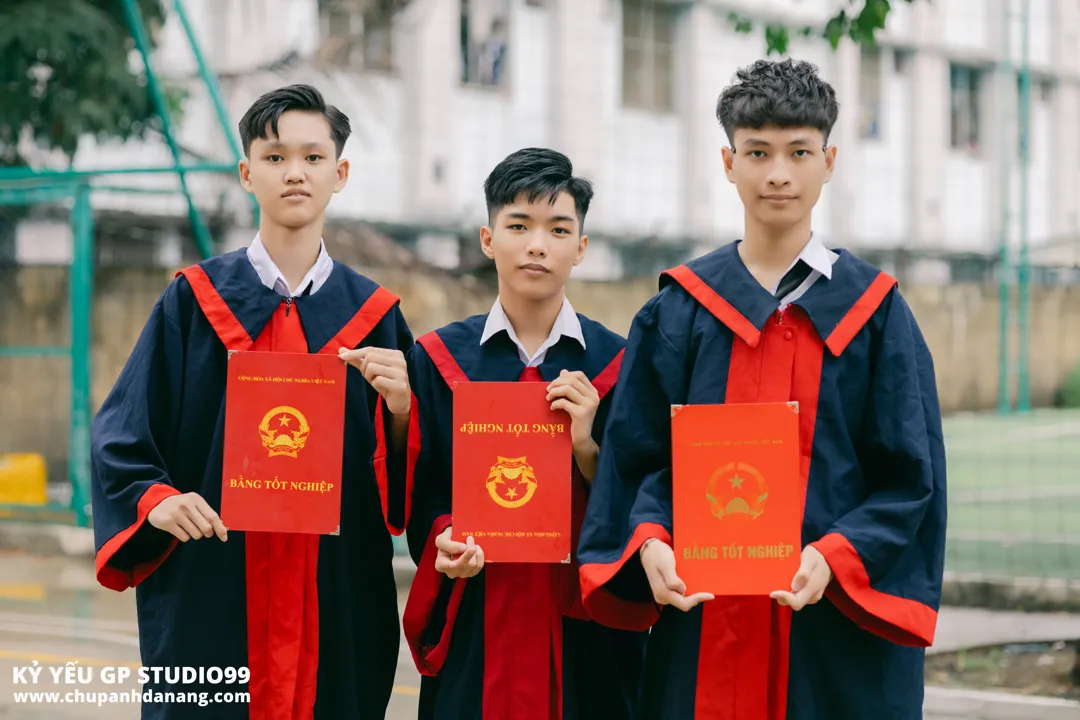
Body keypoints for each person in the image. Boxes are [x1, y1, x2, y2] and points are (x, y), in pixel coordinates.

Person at [576, 58, 947, 720]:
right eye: (758, 152)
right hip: (704, 624)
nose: (778, 173)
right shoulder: (679, 311)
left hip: (832, 637)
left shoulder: (875, 314)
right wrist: (650, 539)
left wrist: (836, 555)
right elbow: (638, 458)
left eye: (799, 152)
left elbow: (910, 479)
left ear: (829, 161)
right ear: (728, 162)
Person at [90, 84, 413, 720]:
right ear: (246, 173)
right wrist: (157, 499)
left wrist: (403, 413)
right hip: (214, 582)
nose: (295, 172)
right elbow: (123, 433)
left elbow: (412, 476)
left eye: (313, 157)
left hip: (335, 589)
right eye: (275, 157)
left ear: (340, 173)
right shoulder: (194, 301)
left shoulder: (375, 317)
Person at [388, 148, 646, 720]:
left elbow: (640, 499)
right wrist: (444, 538)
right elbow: (424, 491)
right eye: (519, 226)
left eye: (559, 229)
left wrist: (587, 445)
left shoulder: (619, 363)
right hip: (478, 618)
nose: (538, 245)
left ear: (581, 247)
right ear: (488, 239)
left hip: (581, 632)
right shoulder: (438, 359)